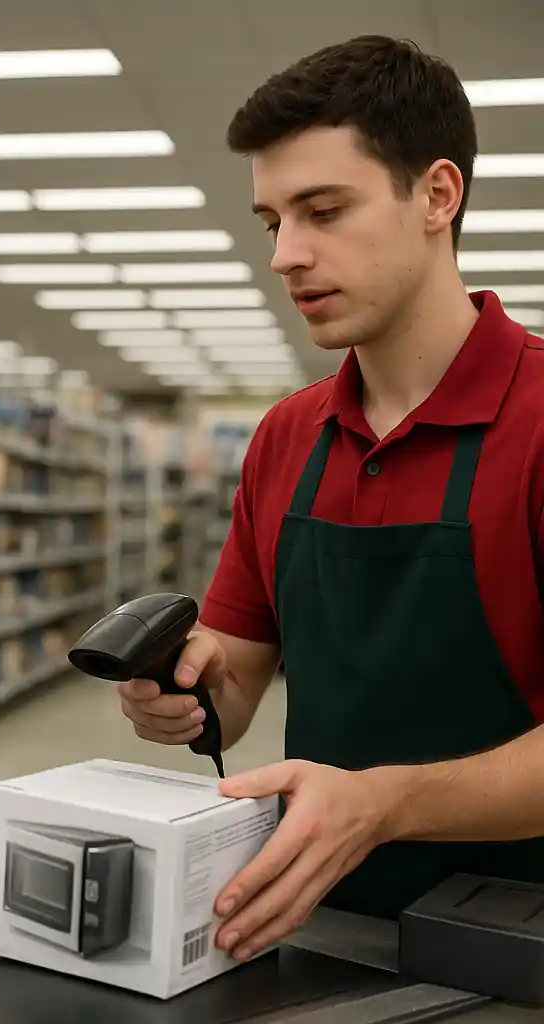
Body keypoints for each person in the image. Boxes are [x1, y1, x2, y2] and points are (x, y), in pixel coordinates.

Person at [118, 35, 544, 963]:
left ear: (438, 195)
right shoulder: (285, 438)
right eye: (272, 220)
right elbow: (235, 681)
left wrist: (383, 803)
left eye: (323, 211)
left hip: (521, 942)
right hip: (315, 927)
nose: (285, 255)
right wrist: (189, 693)